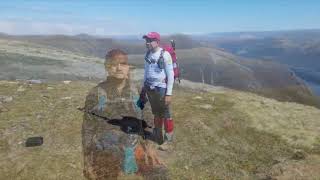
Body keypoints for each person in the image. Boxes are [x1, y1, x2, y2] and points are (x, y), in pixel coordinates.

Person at [81, 49, 165, 179]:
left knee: (158, 172)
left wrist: (150, 146)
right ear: (107, 67)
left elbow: (148, 118)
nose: (119, 68)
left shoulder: (138, 91)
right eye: (114, 64)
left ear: (128, 67)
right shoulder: (95, 93)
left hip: (134, 144)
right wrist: (86, 159)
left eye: (123, 63)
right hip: (106, 148)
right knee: (104, 173)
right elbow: (88, 128)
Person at [138, 32, 175, 150]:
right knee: (156, 113)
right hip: (150, 88)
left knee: (166, 114)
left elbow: (171, 75)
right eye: (146, 40)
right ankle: (158, 136)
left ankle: (168, 140)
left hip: (161, 89)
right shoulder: (148, 54)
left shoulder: (165, 55)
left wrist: (168, 94)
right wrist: (143, 90)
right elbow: (146, 73)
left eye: (150, 40)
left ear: (157, 41)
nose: (147, 43)